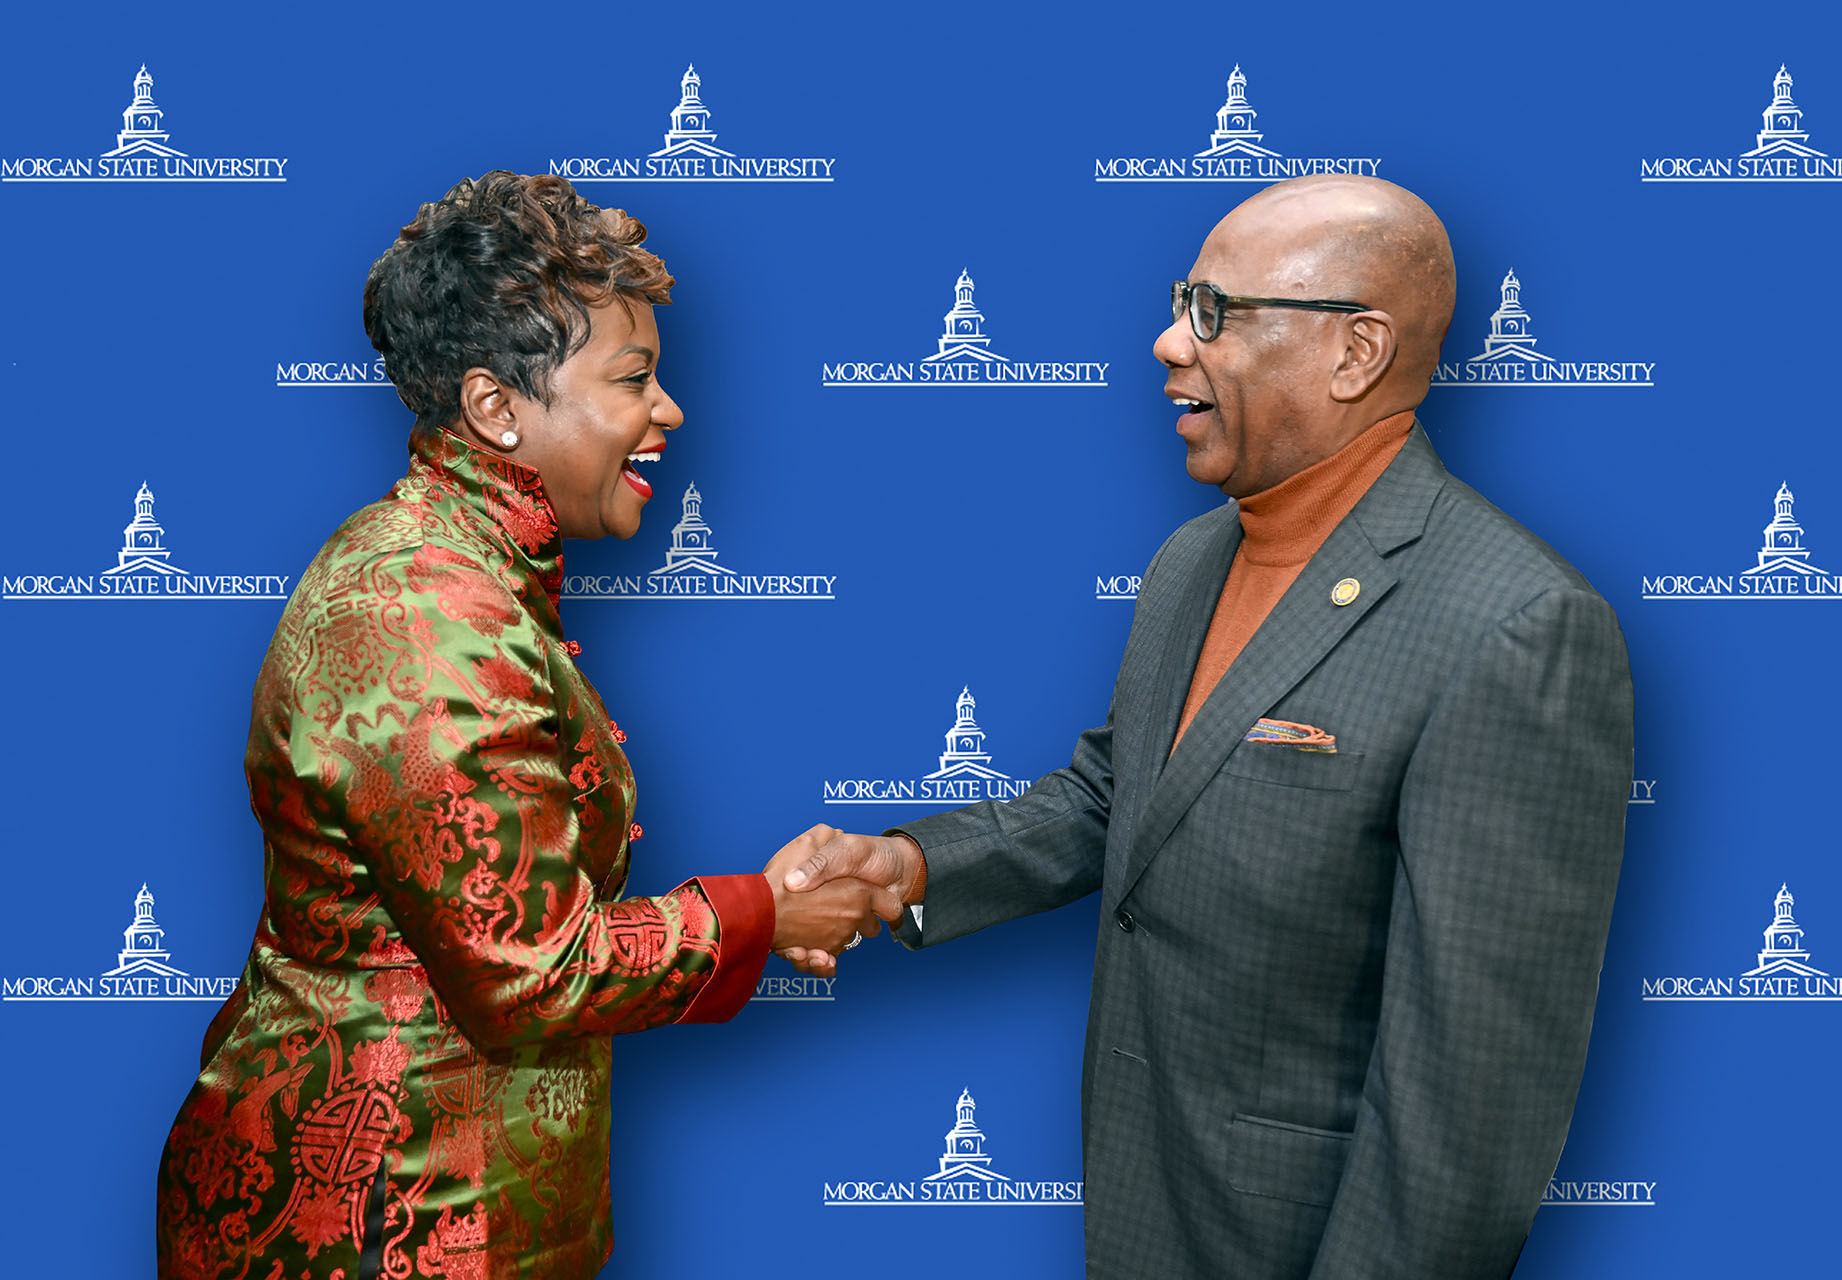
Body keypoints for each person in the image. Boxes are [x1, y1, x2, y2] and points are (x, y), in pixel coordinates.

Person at [783, 175, 1634, 1278]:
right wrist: (904, 865)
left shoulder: (1517, 625)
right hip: (1146, 1217)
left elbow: (1468, 1113)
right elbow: (1114, 795)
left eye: (1214, 311)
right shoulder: (1193, 559)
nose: (1166, 342)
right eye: (1182, 301)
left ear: (1356, 351)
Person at [154, 172, 895, 1280]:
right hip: (375, 1223)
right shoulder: (421, 610)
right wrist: (762, 915)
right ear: (497, 407)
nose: (668, 409)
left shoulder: (468, 573)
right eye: (633, 378)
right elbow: (529, 972)